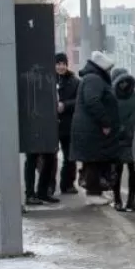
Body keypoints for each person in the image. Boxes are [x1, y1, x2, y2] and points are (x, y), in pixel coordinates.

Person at [71, 50, 120, 205]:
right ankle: (92, 193)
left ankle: (96, 191)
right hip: (91, 130)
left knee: (95, 160)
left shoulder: (92, 78)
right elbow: (92, 101)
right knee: (93, 160)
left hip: (90, 129)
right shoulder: (94, 79)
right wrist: (105, 122)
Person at [110, 66, 135, 213]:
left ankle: (131, 200)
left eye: (125, 81)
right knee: (117, 170)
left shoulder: (134, 96)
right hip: (117, 139)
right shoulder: (111, 95)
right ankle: (117, 199)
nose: (123, 84)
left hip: (132, 139)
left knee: (134, 171)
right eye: (120, 81)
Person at [54, 53, 80, 195]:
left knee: (70, 156)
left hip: (68, 123)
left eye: (63, 63)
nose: (61, 66)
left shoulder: (75, 81)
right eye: (58, 64)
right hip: (51, 124)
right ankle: (49, 186)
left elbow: (79, 100)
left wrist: (65, 105)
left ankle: (68, 184)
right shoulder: (48, 78)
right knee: (50, 157)